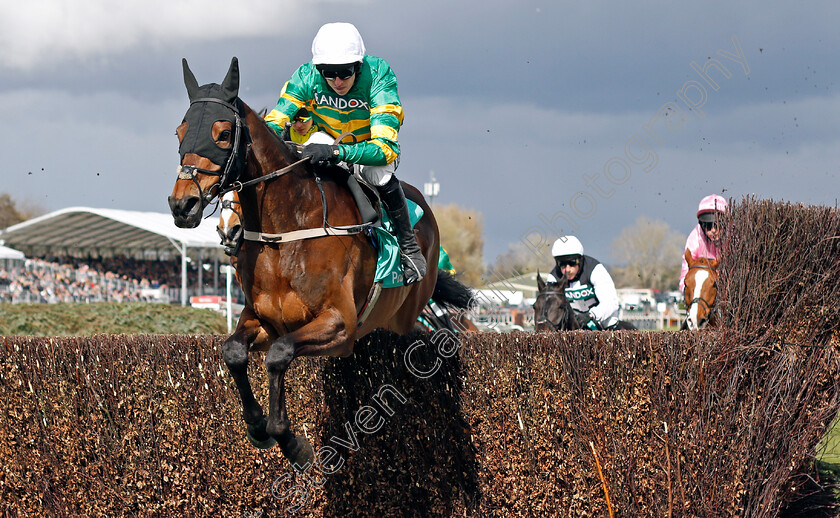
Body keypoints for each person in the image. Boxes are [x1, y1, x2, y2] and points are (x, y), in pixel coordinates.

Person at [265, 22, 426, 285]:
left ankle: (409, 248)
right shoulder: (305, 76)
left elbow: (385, 149)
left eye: (345, 72)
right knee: (308, 150)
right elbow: (274, 121)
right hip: (326, 139)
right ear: (318, 69)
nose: (337, 81)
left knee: (377, 173)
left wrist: (337, 152)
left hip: (369, 146)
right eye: (329, 74)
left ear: (359, 66)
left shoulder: (379, 74)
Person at [547, 235, 621, 330]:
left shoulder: (596, 270)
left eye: (572, 263)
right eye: (562, 264)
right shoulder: (553, 278)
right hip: (574, 324)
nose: (567, 269)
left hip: (602, 321)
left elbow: (611, 303)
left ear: (580, 260)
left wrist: (591, 315)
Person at [678, 194, 728, 292]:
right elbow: (684, 276)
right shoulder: (694, 238)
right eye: (708, 225)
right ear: (702, 225)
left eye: (718, 225)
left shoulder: (735, 238)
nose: (713, 230)